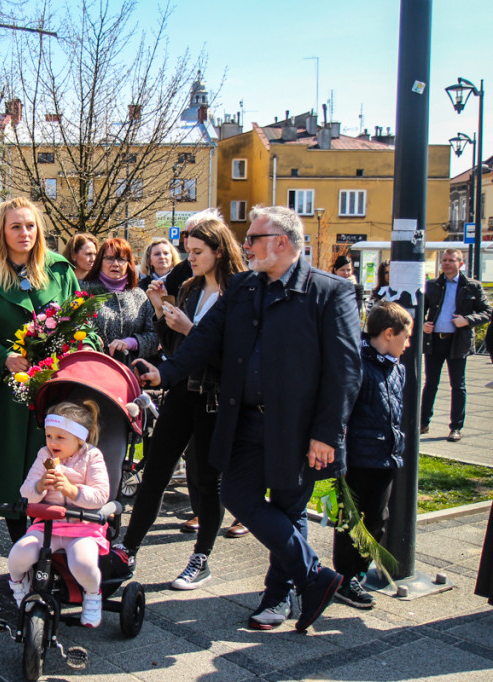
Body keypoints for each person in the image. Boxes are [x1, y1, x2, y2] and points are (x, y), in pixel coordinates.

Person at [134, 205, 362, 633]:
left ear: (282, 243)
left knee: (289, 510)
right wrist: (166, 372)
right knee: (237, 495)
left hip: (299, 431)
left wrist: (326, 434)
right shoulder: (243, 287)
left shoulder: (330, 292)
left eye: (254, 237)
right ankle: (314, 577)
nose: (246, 245)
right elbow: (203, 338)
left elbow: (346, 371)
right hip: (245, 422)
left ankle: (279, 595)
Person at [117, 211, 246, 589]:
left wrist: (190, 328)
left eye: (197, 252)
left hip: (214, 399)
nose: (189, 259)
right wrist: (160, 312)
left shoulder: (238, 293)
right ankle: (128, 549)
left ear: (220, 251)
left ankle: (200, 558)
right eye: (188, 251)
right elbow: (175, 347)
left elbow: (232, 359)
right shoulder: (190, 288)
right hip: (180, 392)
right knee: (155, 471)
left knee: (208, 482)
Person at [0, 197, 82, 542]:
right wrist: (3, 356)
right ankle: (25, 552)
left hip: (56, 389)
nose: (24, 232)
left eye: (30, 225)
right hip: (8, 392)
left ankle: (54, 552)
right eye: (15, 226)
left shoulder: (59, 270)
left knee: (56, 469)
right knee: (13, 475)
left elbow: (82, 321)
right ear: (2, 231)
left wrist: (78, 349)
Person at [332, 300, 411, 609]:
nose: (407, 345)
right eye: (405, 338)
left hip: (385, 457)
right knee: (351, 521)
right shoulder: (358, 365)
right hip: (358, 458)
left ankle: (357, 573)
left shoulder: (396, 368)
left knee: (378, 519)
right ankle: (345, 578)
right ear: (388, 334)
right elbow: (343, 414)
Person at [8, 400, 109, 627]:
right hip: (47, 524)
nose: (52, 442)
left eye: (60, 438)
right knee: (18, 554)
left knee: (83, 563)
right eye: (49, 436)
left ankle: (92, 594)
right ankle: (19, 582)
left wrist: (73, 490)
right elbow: (25, 492)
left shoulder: (92, 456)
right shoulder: (44, 454)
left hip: (82, 526)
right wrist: (40, 486)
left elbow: (101, 495)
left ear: (79, 439)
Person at [420, 248, 491, 442]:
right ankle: (423, 422)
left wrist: (467, 320)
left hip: (457, 342)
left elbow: (487, 312)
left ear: (461, 263)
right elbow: (419, 311)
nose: (447, 263)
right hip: (435, 340)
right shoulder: (432, 285)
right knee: (430, 384)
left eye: (451, 260)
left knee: (458, 385)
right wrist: (422, 325)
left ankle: (456, 427)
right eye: (444, 260)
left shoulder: (471, 287)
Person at [80, 237, 157, 366]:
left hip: (129, 374)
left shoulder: (139, 296)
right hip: (91, 369)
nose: (115, 264)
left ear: (128, 263)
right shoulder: (84, 290)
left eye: (121, 259)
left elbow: (154, 337)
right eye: (109, 258)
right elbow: (72, 327)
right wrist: (88, 342)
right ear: (100, 261)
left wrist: (132, 342)